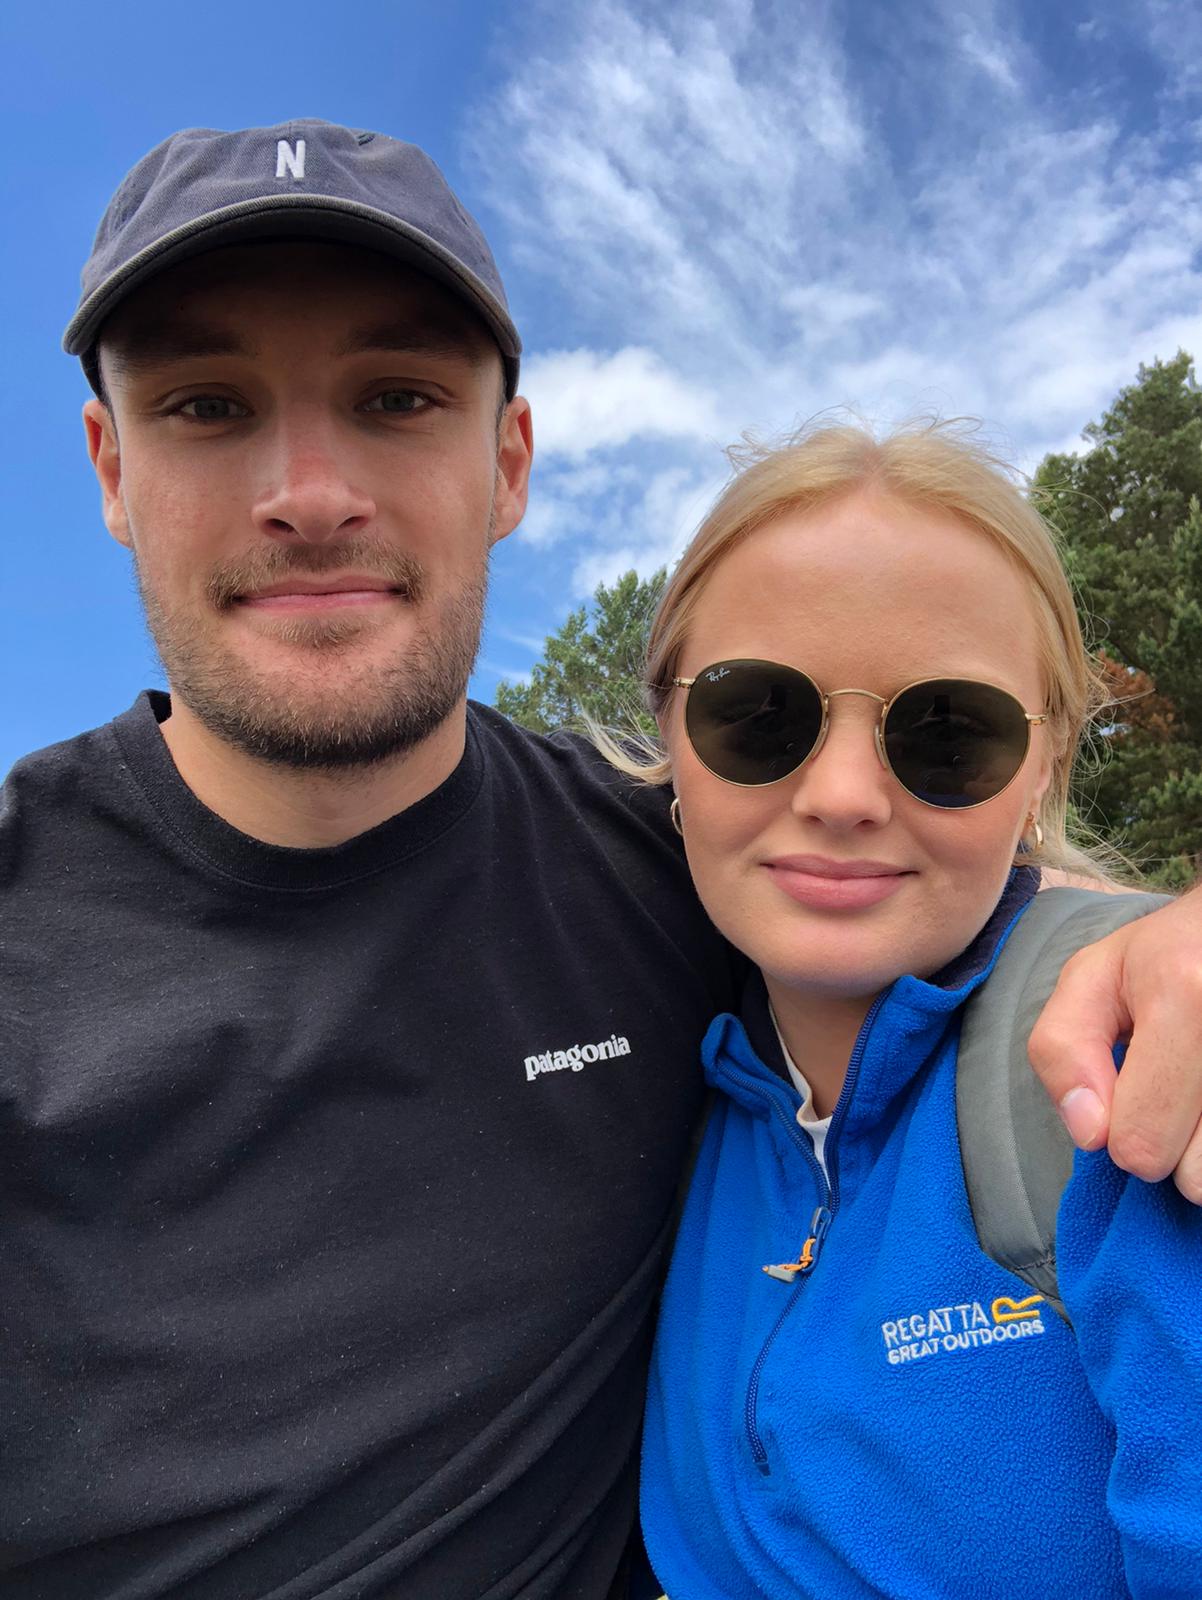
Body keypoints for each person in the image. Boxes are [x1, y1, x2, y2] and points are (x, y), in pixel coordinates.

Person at [0, 119, 1198, 1599]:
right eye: (202, 403)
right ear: (109, 467)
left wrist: (1157, 945)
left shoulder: (684, 879)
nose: (308, 494)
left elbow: (961, 898)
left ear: (508, 463)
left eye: (394, 396)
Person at [629, 423, 1202, 1598]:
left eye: (946, 733)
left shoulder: (1133, 1069)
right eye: (755, 717)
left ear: (1040, 766)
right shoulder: (657, 1062)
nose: (839, 796)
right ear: (667, 737)